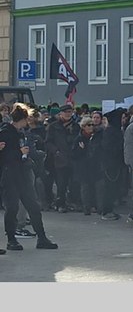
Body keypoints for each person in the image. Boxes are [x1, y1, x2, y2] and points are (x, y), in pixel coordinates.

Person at [1, 103, 59, 251]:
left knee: (33, 206)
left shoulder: (20, 133)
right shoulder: (6, 132)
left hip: (22, 173)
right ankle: (11, 239)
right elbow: (5, 156)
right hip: (10, 175)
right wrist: (20, 152)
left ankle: (42, 237)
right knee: (12, 208)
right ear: (23, 119)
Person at [71, 117, 104, 216]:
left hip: (96, 165)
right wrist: (81, 150)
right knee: (85, 188)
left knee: (98, 187)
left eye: (92, 125)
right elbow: (73, 154)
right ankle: (87, 208)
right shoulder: (79, 138)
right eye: (88, 125)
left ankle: (99, 208)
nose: (91, 127)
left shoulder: (97, 136)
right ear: (83, 127)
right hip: (83, 166)